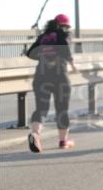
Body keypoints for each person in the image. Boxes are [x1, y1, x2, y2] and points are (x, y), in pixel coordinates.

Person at [25, 14, 78, 153]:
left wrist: (44, 56)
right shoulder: (63, 35)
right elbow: (65, 47)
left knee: (41, 108)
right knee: (62, 109)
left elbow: (30, 53)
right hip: (60, 76)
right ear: (62, 26)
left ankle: (35, 134)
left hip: (41, 76)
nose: (67, 29)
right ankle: (63, 141)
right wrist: (72, 63)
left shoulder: (43, 37)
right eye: (66, 26)